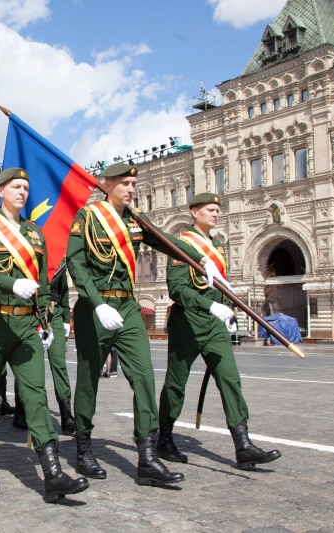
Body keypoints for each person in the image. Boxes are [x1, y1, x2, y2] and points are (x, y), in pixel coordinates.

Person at [66, 162, 227, 486]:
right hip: (95, 308)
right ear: (107, 184)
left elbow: (164, 240)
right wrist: (96, 304)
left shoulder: (134, 219)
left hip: (127, 306)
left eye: (133, 184)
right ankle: (83, 449)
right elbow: (76, 263)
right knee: (88, 382)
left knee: (143, 379)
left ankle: (147, 457)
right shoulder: (89, 217)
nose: (130, 189)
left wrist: (200, 257)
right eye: (124, 183)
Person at [0, 167, 88, 502]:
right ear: (0, 190)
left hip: (25, 326)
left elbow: (44, 285)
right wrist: (9, 283)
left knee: (35, 395)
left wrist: (46, 320)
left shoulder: (35, 234)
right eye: (16, 187)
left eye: (26, 187)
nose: (22, 192)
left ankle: (52, 473)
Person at [158, 192, 281, 470]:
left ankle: (243, 445)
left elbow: (219, 286)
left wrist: (225, 309)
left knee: (230, 379)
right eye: (209, 209)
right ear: (194, 212)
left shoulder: (217, 246)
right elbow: (177, 289)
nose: (215, 214)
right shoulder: (182, 244)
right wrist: (209, 306)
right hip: (188, 322)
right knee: (176, 384)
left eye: (217, 210)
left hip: (214, 326)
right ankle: (164, 438)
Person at [46, 262, 76, 435]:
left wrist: (65, 317)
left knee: (59, 364)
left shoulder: (57, 262)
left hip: (54, 313)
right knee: (28, 366)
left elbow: (63, 292)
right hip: (31, 312)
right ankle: (23, 410)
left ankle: (66, 414)